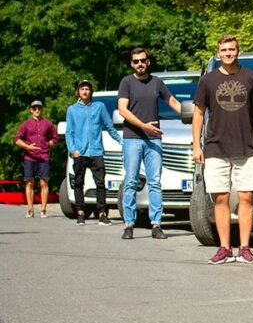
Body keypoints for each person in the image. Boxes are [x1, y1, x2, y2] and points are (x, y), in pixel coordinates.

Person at [192, 35, 253, 265]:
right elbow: (198, 113)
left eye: (232, 49)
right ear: (218, 54)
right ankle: (224, 248)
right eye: (223, 50)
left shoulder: (252, 78)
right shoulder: (208, 81)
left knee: (247, 196)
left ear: (239, 51)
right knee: (221, 197)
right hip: (216, 147)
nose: (228, 53)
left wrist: (248, 120)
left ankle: (245, 247)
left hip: (246, 147)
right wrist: (197, 145)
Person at [117, 47, 181, 241]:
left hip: (153, 139)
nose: (140, 64)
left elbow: (173, 102)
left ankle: (156, 224)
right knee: (130, 182)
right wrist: (144, 126)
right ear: (131, 64)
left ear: (148, 62)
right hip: (132, 138)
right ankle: (129, 224)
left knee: (155, 183)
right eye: (136, 61)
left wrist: (194, 115)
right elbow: (122, 110)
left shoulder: (157, 82)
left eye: (143, 60)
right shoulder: (126, 82)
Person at [65, 79, 122, 225]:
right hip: (80, 152)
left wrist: (122, 142)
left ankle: (102, 213)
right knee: (78, 183)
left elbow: (109, 126)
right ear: (78, 92)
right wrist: (73, 150)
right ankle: (80, 212)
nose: (85, 91)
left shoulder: (99, 107)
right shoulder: (72, 110)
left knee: (101, 183)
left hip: (96, 151)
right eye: (82, 89)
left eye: (87, 89)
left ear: (91, 92)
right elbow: (69, 132)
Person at [14, 100, 58, 218]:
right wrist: (28, 147)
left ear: (42, 109)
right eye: (35, 108)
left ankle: (43, 210)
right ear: (31, 110)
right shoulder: (26, 124)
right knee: (29, 182)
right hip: (30, 157)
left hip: (44, 156)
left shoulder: (48, 124)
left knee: (44, 182)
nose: (37, 110)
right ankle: (30, 209)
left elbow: (55, 138)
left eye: (39, 108)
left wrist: (48, 144)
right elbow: (17, 140)